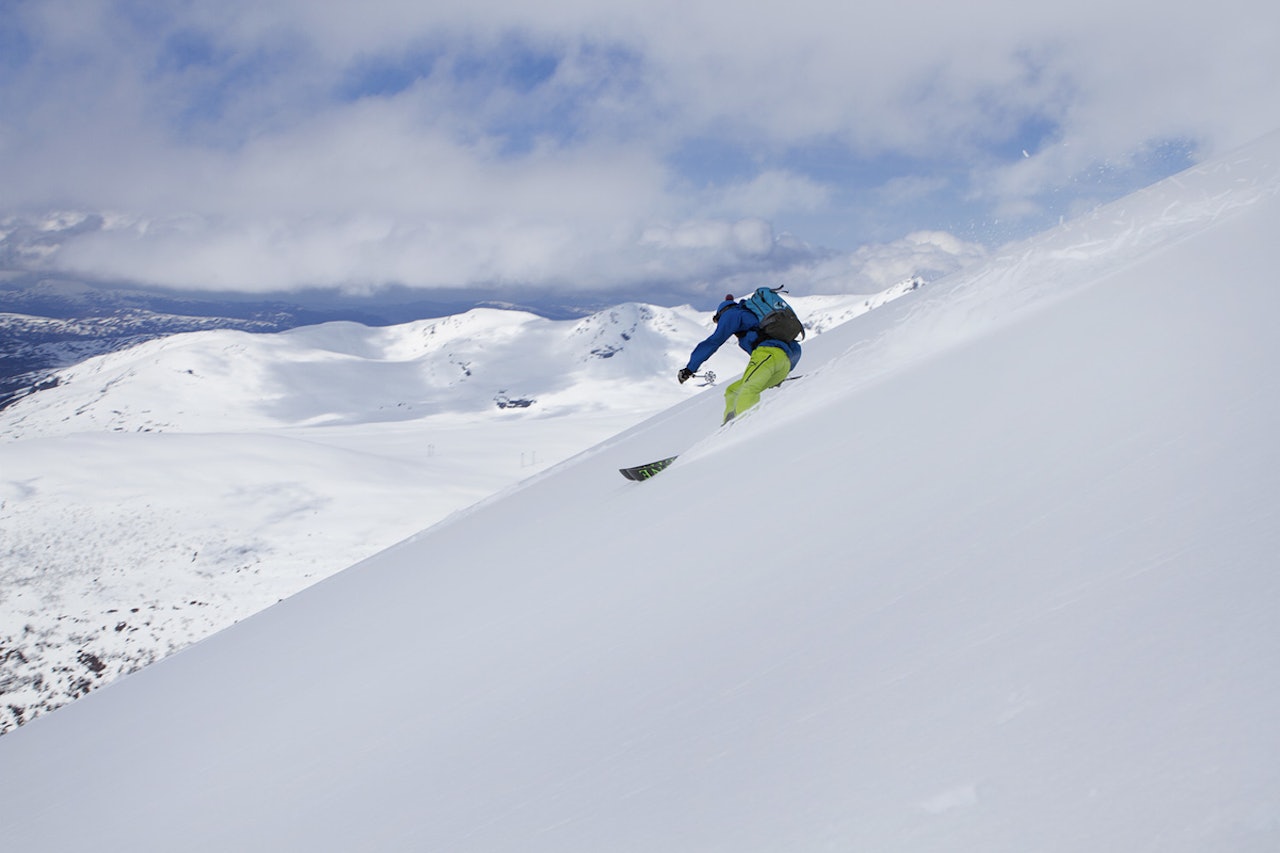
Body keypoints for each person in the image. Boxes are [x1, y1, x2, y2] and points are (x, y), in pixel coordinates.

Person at [678, 293, 802, 424]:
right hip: (784, 363)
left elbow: (714, 341)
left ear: (720, 314)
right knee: (732, 391)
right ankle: (730, 424)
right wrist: (782, 372)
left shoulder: (731, 314)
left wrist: (689, 369)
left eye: (717, 321)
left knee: (747, 390)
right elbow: (794, 347)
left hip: (767, 355)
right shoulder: (755, 318)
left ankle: (746, 427)